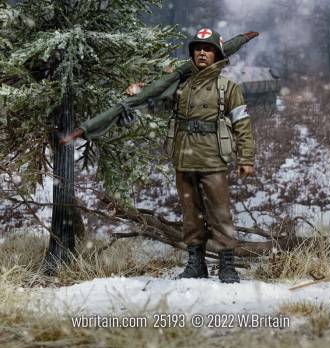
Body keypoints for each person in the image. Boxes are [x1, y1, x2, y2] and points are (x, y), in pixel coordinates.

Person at [62, 28, 256, 283]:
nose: (201, 53)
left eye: (207, 49)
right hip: (184, 159)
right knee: (191, 215)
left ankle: (227, 266)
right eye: (197, 48)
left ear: (217, 55)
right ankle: (196, 263)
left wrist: (246, 159)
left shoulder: (227, 88)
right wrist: (135, 95)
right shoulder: (180, 87)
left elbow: (242, 123)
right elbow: (154, 105)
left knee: (220, 213)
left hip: (213, 160)